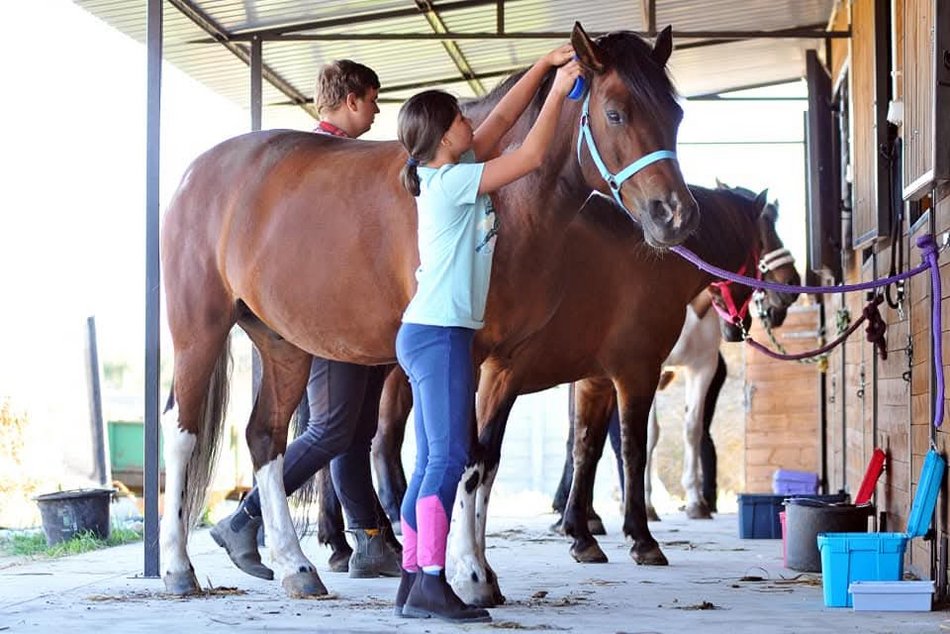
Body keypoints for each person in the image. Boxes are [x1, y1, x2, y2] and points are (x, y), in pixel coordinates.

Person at [392, 46, 582, 623]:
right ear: (441, 136)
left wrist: (544, 67)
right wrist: (559, 93)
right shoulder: (450, 181)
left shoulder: (451, 166)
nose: (468, 120)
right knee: (450, 457)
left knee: (432, 459)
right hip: (440, 334)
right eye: (458, 117)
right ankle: (430, 580)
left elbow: (501, 118)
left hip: (432, 332)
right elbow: (530, 154)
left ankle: (412, 581)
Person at [211, 59, 402, 581]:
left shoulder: (341, 160)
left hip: (360, 309)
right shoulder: (317, 161)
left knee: (356, 432)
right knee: (331, 429)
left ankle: (369, 541)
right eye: (372, 100)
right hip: (328, 312)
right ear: (352, 100)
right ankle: (243, 520)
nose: (377, 111)